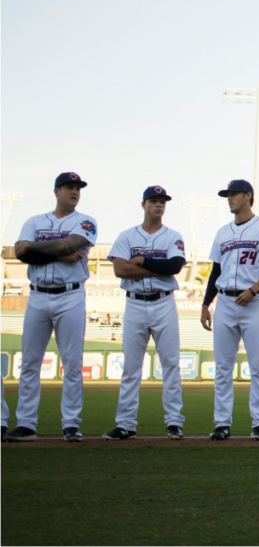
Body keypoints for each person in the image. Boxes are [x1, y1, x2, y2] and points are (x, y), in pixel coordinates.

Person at [5, 173, 96, 443]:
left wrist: (35, 246)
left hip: (71, 295)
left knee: (72, 363)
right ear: (56, 191)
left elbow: (70, 244)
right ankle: (26, 424)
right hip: (37, 296)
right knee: (30, 362)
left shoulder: (85, 221)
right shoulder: (34, 221)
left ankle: (71, 423)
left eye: (78, 188)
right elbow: (19, 252)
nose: (75, 191)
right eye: (69, 187)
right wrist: (60, 253)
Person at [201, 180, 259, 441]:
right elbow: (217, 271)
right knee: (223, 368)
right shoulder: (222, 232)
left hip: (254, 303)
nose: (229, 199)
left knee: (258, 365)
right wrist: (206, 303)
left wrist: (254, 290)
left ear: (248, 196)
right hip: (225, 302)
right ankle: (222, 422)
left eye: (234, 194)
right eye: (227, 195)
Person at [103, 186, 187, 441]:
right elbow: (121, 271)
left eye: (162, 201)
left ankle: (174, 422)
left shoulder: (173, 236)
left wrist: (143, 261)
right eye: (153, 201)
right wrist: (156, 269)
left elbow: (175, 266)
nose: (158, 205)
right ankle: (126, 423)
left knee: (171, 364)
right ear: (144, 205)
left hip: (164, 303)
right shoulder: (127, 236)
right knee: (131, 366)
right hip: (135, 304)